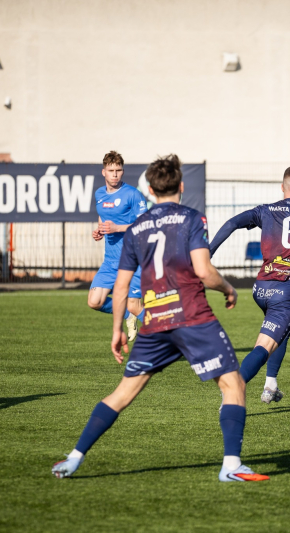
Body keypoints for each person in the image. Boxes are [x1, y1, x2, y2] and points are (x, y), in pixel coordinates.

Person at [53, 155, 268, 482]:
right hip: (192, 315)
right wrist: (228, 288)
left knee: (122, 394)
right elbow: (204, 271)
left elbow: (122, 286)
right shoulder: (193, 219)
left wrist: (117, 330)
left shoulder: (137, 228)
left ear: (150, 190)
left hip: (154, 320)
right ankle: (231, 466)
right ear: (180, 186)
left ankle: (73, 458)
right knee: (233, 384)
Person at [209, 166, 290, 404]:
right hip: (289, 290)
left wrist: (209, 252)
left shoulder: (265, 210)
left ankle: (271, 384)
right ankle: (233, 388)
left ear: (282, 188)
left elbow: (231, 223)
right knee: (264, 344)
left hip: (261, 288)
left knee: (288, 326)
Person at [89, 151, 148, 341]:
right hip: (111, 262)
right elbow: (103, 218)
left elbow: (145, 226)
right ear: (103, 172)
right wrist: (100, 230)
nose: (114, 174)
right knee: (94, 301)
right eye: (111, 170)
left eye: (118, 170)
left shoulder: (133, 195)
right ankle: (127, 316)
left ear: (123, 171)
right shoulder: (99, 194)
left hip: (134, 260)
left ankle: (173, 339)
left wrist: (118, 228)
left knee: (134, 304)